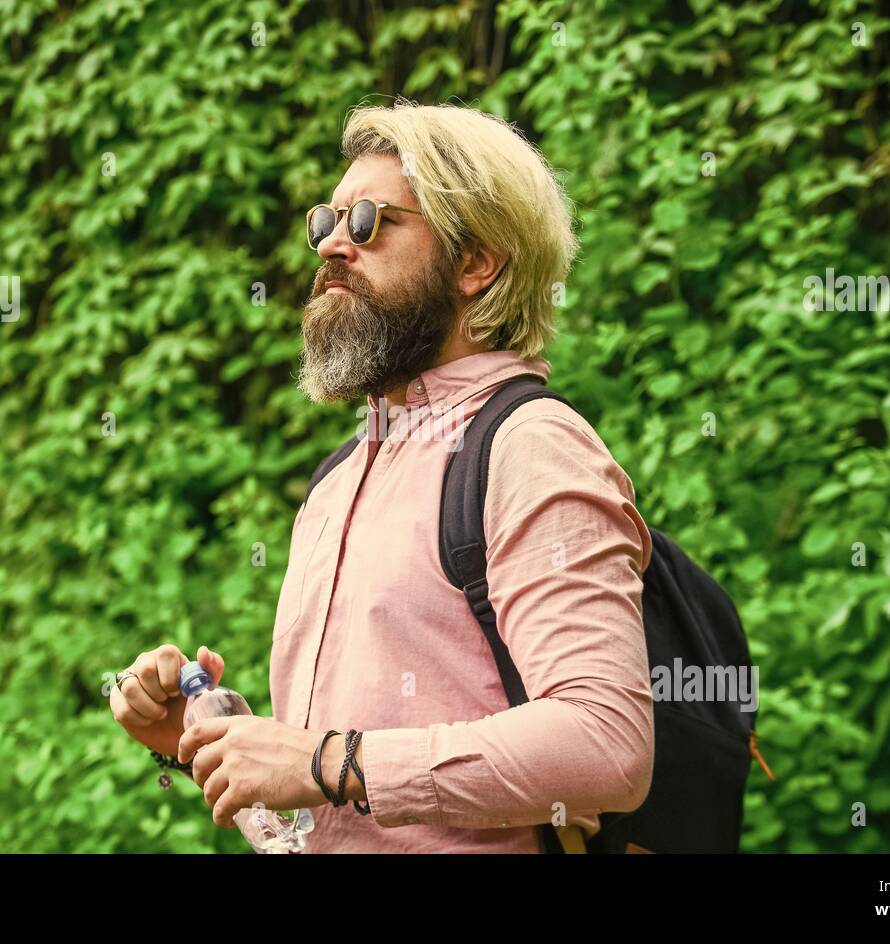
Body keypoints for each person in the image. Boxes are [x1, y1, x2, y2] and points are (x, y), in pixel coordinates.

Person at [111, 99, 654, 853]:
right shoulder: (337, 481)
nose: (333, 244)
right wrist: (197, 739)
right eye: (324, 222)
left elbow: (606, 745)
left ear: (476, 262)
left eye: (368, 220)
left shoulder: (530, 445)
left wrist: (333, 761)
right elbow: (320, 810)